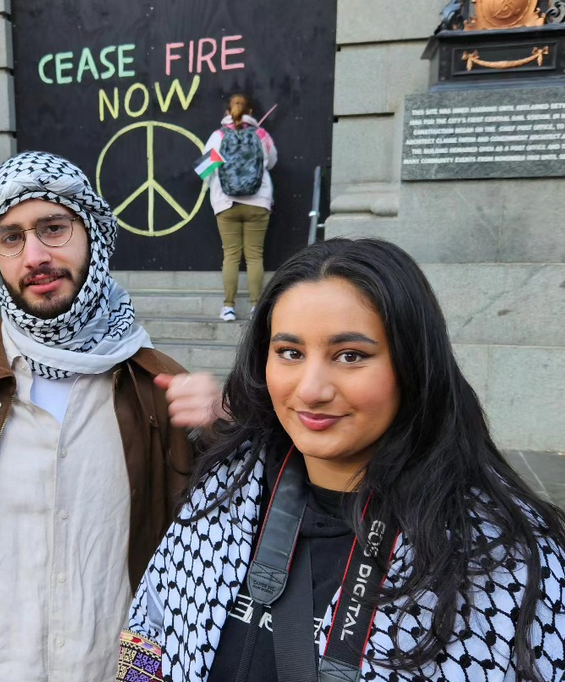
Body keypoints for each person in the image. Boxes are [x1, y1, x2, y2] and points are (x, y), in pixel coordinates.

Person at [121, 238, 565, 682]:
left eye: (350, 356)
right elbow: (147, 639)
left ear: (413, 364)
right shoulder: (220, 495)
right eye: (290, 353)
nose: (312, 389)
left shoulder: (506, 558)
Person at [0, 151, 222, 682]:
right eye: (11, 238)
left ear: (91, 231)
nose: (35, 255)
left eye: (53, 228)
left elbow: (198, 566)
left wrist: (226, 425)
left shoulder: (159, 389)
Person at [203, 93, 277, 322]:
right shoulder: (261, 134)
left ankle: (228, 307)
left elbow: (205, 169)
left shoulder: (218, 136)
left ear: (227, 112)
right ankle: (256, 307)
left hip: (226, 203)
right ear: (251, 112)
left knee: (231, 256)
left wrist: (214, 188)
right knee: (255, 256)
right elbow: (272, 162)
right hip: (258, 202)